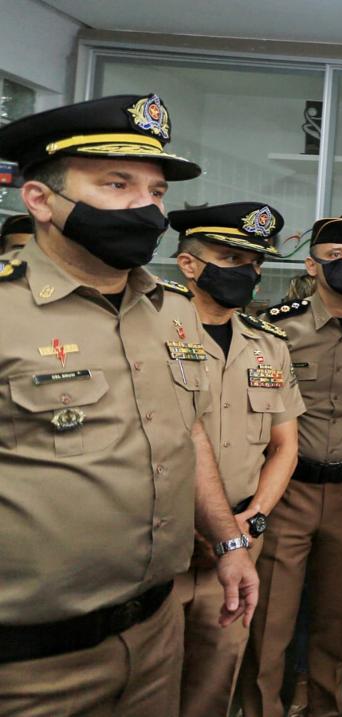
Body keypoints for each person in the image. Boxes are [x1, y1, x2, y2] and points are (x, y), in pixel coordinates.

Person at [0, 94, 258, 716]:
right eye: (117, 184)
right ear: (39, 200)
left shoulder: (171, 310)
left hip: (154, 636)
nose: (146, 207)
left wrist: (228, 542)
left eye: (156, 191)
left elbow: (186, 433)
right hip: (32, 665)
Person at [241, 214, 342, 717]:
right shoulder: (278, 328)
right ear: (311, 266)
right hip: (288, 490)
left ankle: (324, 707)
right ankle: (263, 709)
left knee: (336, 618)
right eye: (337, 257)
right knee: (271, 620)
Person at [168, 202, 305, 717]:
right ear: (188, 264)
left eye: (254, 263)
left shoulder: (269, 345)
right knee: (147, 684)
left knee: (215, 680)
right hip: (164, 537)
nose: (247, 273)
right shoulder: (154, 330)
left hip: (242, 540)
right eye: (230, 259)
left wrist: (253, 519)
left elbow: (285, 446)